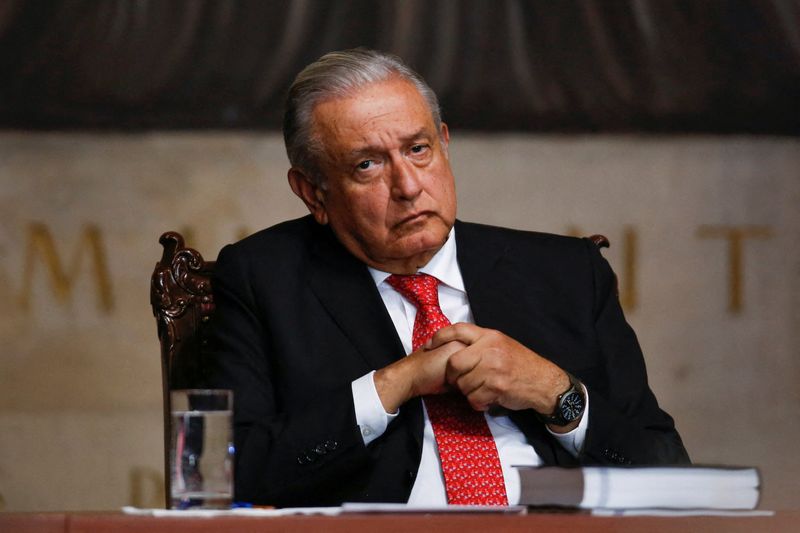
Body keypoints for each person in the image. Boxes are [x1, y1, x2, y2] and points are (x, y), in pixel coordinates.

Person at [210, 48, 689, 508]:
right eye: (367, 165)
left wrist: (553, 391)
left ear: (444, 142)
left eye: (419, 150)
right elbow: (226, 472)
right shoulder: (264, 280)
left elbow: (669, 475)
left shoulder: (566, 273)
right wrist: (397, 383)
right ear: (313, 192)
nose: (409, 186)